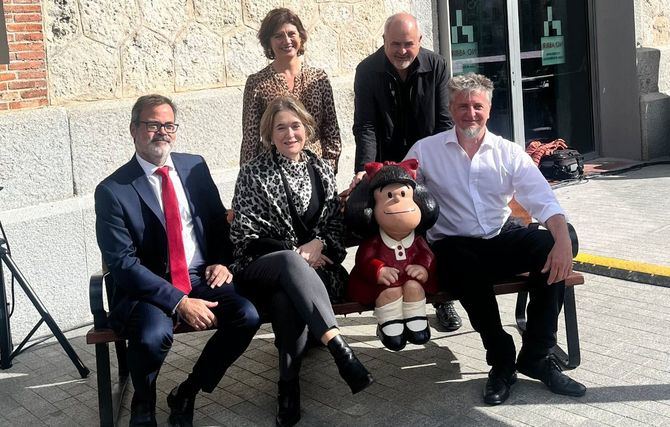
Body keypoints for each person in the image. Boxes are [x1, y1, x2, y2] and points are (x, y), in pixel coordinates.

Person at [405, 73, 587, 405]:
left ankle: (536, 353)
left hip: (500, 238)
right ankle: (501, 359)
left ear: (489, 108)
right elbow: (399, 189)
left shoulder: (507, 151)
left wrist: (562, 242)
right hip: (454, 246)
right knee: (460, 261)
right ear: (450, 108)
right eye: (462, 106)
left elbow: (543, 199)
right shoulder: (426, 151)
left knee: (551, 247)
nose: (470, 113)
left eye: (477, 106)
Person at [94, 94, 261, 426]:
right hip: (149, 288)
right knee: (152, 336)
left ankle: (188, 390)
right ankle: (143, 402)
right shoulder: (112, 190)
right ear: (134, 130)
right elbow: (123, 264)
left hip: (200, 275)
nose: (162, 132)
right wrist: (178, 302)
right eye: (153, 124)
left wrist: (222, 261)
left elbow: (216, 222)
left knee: (247, 315)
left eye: (168, 125)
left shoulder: (193, 166)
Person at [230, 96, 374, 426]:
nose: (289, 133)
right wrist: (296, 254)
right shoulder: (253, 173)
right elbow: (245, 231)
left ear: (307, 130)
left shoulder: (321, 169)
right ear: (269, 133)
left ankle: (289, 385)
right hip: (265, 269)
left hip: (320, 272)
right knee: (286, 278)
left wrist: (320, 244)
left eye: (295, 126)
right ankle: (340, 350)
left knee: (286, 299)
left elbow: (334, 223)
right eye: (280, 127)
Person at [351, 12, 461, 332]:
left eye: (408, 44)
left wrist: (443, 164)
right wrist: (364, 170)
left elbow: (444, 120)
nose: (402, 51)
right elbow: (366, 126)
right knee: (382, 227)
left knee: (429, 225)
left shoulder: (437, 65)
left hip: (425, 162)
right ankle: (389, 296)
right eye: (395, 44)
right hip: (385, 164)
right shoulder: (367, 70)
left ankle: (441, 300)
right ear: (384, 41)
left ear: (420, 42)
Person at [346, 160, 439, 352]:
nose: (398, 201)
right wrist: (378, 269)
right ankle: (389, 325)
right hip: (383, 285)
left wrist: (423, 266)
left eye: (404, 194)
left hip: (411, 280)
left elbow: (427, 255)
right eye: (389, 196)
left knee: (414, 287)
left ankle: (417, 320)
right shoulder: (374, 241)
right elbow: (364, 260)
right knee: (390, 292)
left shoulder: (418, 239)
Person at [241, 8, 341, 172]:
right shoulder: (256, 83)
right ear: (268, 42)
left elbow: (331, 131)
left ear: (301, 37)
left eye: (291, 34)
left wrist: (327, 169)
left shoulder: (318, 78)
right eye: (278, 36)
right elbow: (250, 139)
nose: (286, 40)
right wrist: (249, 177)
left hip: (315, 170)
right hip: (273, 174)